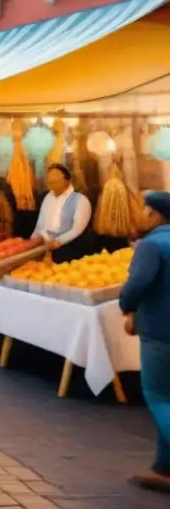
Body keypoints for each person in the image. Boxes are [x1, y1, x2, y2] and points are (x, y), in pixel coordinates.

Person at [121, 191, 170, 493]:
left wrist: (127, 307)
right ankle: (165, 469)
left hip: (161, 331)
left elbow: (137, 284)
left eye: (144, 210)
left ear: (154, 215)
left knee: (158, 396)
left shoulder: (152, 245)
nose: (141, 214)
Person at [30, 163, 94, 263]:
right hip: (54, 250)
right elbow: (41, 224)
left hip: (75, 248)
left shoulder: (80, 199)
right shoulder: (47, 198)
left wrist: (59, 241)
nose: (51, 181)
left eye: (56, 178)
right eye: (50, 178)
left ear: (67, 181)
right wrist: (34, 239)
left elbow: (77, 228)